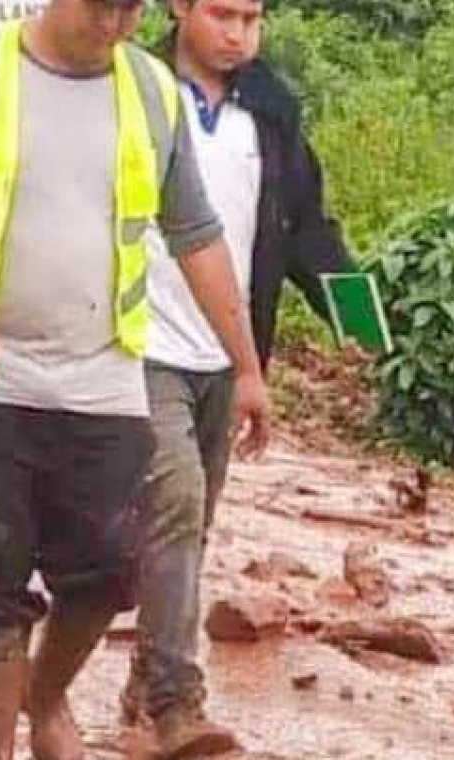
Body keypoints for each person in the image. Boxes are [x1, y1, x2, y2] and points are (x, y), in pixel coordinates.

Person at [0, 1, 271, 758]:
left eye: (129, 9)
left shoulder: (149, 89)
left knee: (112, 572)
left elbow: (195, 233)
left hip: (105, 376)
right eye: (98, 6)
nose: (113, 25)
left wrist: (246, 366)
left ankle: (45, 699)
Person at [121, 1, 355, 756]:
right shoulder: (132, 85)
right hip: (137, 344)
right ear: (178, 7)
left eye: (252, 19)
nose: (238, 35)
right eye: (222, 15)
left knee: (190, 528)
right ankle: (176, 702)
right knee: (177, 505)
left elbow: (308, 228)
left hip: (229, 354)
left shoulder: (272, 111)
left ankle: (142, 690)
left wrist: (368, 323)